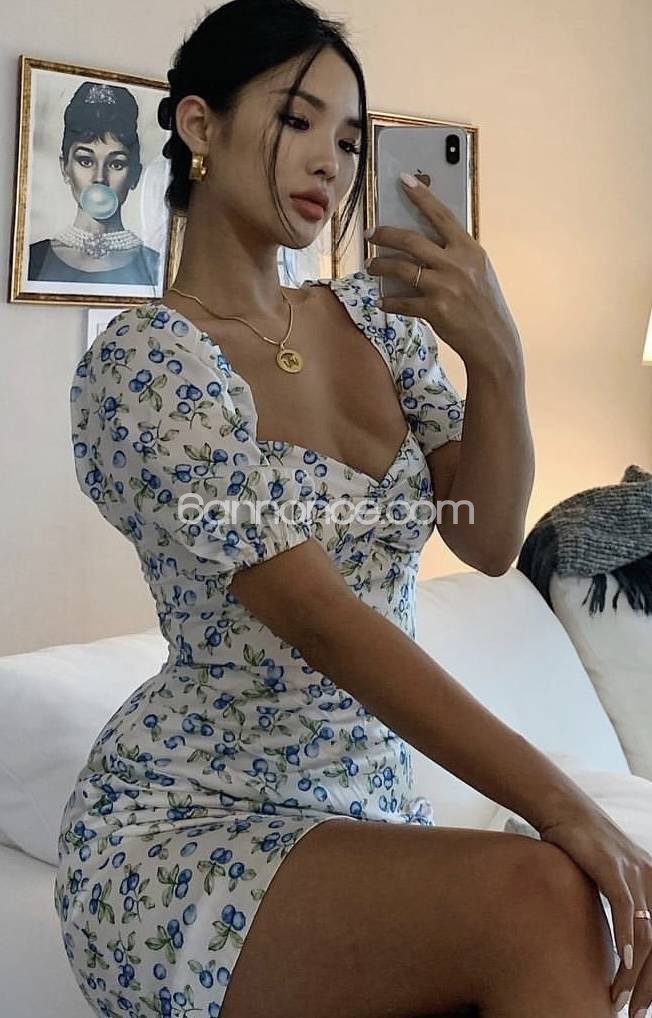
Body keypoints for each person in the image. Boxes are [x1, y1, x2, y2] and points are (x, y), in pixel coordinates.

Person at [54, 2, 652, 1017]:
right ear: (198, 125)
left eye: (347, 139)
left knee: (551, 904)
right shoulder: (145, 365)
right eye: (296, 120)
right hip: (185, 828)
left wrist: (498, 357)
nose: (328, 162)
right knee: (546, 890)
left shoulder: (380, 320)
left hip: (366, 804)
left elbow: (488, 538)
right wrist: (568, 808)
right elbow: (323, 621)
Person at [28, 80, 160, 286]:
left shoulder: (156, 265)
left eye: (116, 164)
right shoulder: (32, 259)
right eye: (86, 161)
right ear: (65, 168)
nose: (99, 178)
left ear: (135, 175)